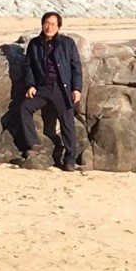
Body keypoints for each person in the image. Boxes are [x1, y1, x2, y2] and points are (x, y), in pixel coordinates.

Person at [20, 12, 83, 171]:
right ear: (42, 24)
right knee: (24, 107)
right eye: (47, 23)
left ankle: (69, 159)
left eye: (53, 24)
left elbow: (76, 66)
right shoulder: (34, 44)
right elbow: (28, 67)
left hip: (61, 88)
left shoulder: (67, 43)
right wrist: (30, 85)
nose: (49, 27)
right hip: (42, 88)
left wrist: (76, 88)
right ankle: (33, 143)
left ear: (59, 27)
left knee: (67, 123)